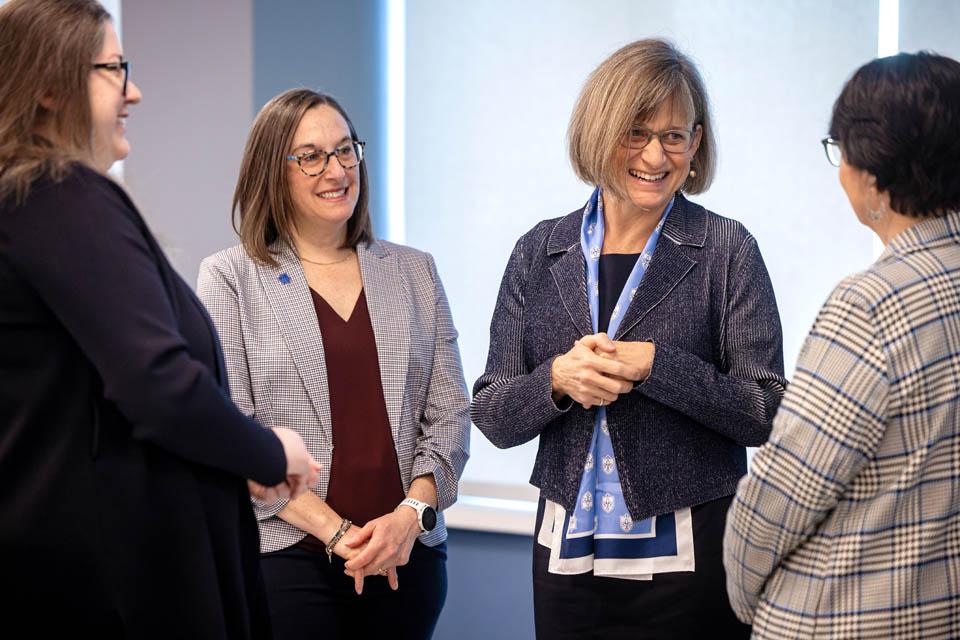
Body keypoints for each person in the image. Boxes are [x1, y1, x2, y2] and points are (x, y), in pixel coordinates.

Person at [0, 1, 319, 637]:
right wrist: (264, 451)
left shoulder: (21, 203)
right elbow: (157, 384)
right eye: (113, 69)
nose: (134, 91)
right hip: (116, 583)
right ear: (46, 87)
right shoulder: (60, 197)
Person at [471, 38, 786, 639]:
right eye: (636, 132)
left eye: (675, 135)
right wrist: (556, 382)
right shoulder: (539, 252)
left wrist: (657, 368)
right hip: (566, 565)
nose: (656, 155)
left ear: (696, 144)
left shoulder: (726, 249)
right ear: (600, 133)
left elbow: (765, 411)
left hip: (692, 568)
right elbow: (492, 412)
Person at [197, 88, 470, 640]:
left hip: (407, 556)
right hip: (288, 557)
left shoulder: (414, 271)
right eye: (312, 155)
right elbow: (235, 430)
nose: (337, 169)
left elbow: (450, 413)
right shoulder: (231, 278)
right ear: (274, 171)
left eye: (346, 150)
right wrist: (339, 533)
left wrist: (407, 519)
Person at [724, 51, 960, 639]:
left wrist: (739, 594)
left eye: (840, 153)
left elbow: (784, 491)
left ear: (872, 170)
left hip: (844, 615)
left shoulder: (872, 303)